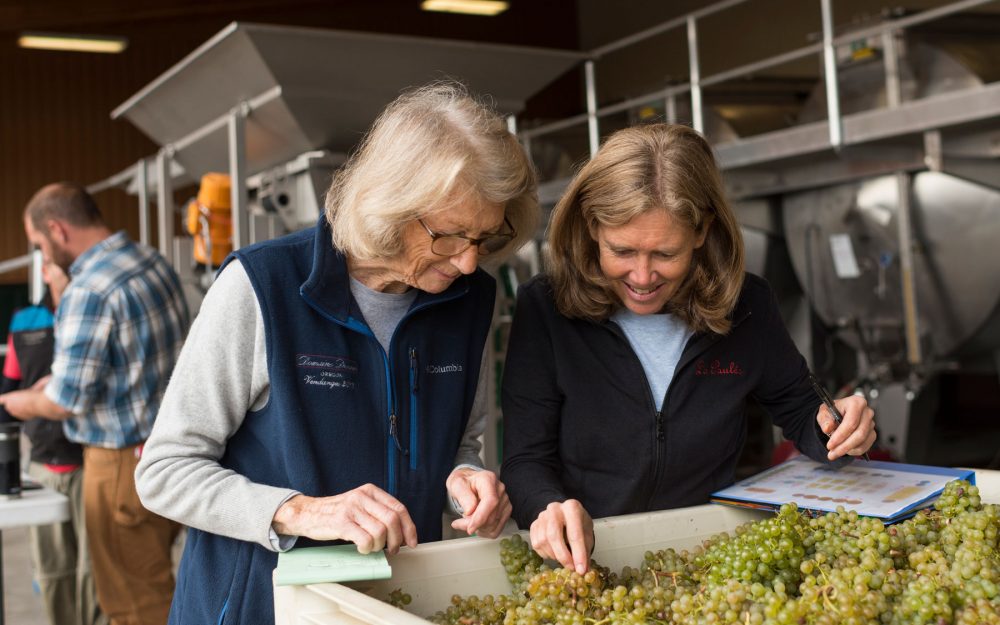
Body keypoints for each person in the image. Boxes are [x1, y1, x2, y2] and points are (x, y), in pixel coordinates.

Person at [134, 81, 538, 625]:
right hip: (258, 607)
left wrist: (463, 481)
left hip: (390, 607)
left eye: (485, 238)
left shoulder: (471, 301)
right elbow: (164, 471)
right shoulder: (263, 286)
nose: (468, 262)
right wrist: (300, 511)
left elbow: (461, 441)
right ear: (392, 203)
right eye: (449, 235)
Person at [500, 123, 876, 575]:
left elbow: (800, 409)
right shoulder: (545, 308)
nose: (642, 276)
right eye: (622, 250)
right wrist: (549, 507)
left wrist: (839, 429)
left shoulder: (749, 305)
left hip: (703, 556)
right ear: (592, 226)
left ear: (701, 232)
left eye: (665, 254)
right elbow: (525, 460)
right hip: (582, 562)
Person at [0, 182, 190, 625]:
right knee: (158, 581)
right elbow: (131, 362)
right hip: (170, 451)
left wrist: (20, 401)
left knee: (132, 603)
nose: (43, 258)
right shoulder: (151, 261)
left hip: (119, 466)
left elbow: (66, 399)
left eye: (39, 246)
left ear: (57, 229)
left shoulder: (88, 289)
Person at [0, 261, 106, 625]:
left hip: (95, 464)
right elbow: (6, 399)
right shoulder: (24, 322)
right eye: (63, 267)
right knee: (53, 574)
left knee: (96, 575)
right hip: (44, 467)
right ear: (45, 270)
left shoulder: (97, 313)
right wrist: (38, 393)